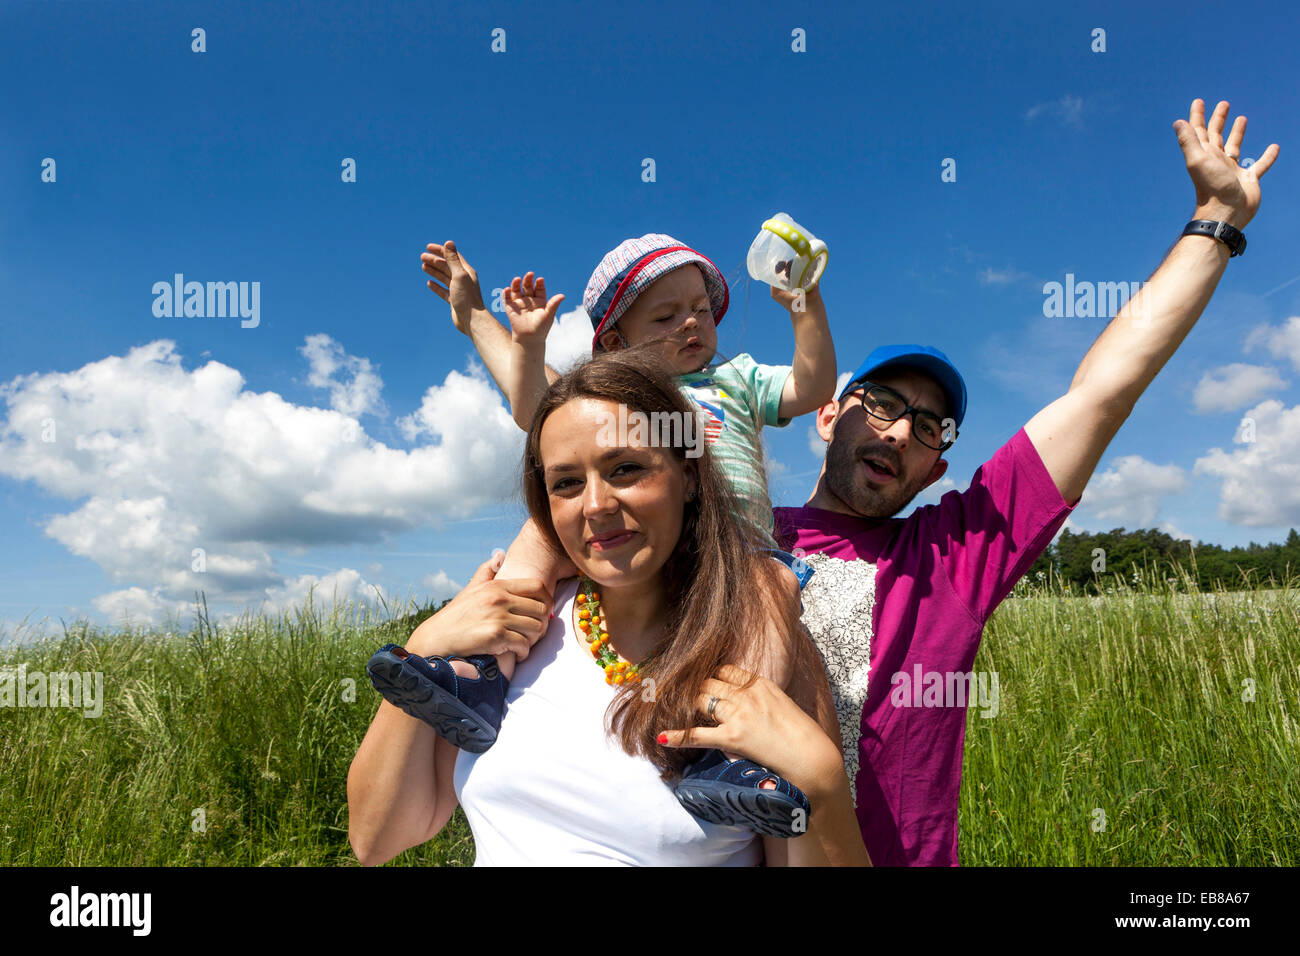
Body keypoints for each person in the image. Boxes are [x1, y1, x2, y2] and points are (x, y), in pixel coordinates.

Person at [443, 98, 1280, 865]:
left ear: (939, 466)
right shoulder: (689, 526)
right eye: (880, 402)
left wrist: (1215, 223)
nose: (901, 429)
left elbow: (1101, 394)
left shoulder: (954, 556)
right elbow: (566, 444)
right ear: (824, 416)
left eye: (930, 427)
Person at [347, 348, 870, 866]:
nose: (596, 505)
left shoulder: (766, 646)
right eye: (566, 483)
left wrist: (820, 782)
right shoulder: (513, 631)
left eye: (625, 468)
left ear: (688, 476)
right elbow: (378, 839)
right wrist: (422, 648)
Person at [403, 232, 836, 833]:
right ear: (613, 342)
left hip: (734, 547)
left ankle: (729, 754)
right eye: (666, 314)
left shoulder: (733, 379)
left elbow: (812, 386)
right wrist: (500, 329)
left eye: (703, 310)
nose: (693, 322)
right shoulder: (611, 404)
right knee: (538, 535)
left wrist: (802, 301)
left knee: (771, 587)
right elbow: (539, 410)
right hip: (638, 539)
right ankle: (479, 673)